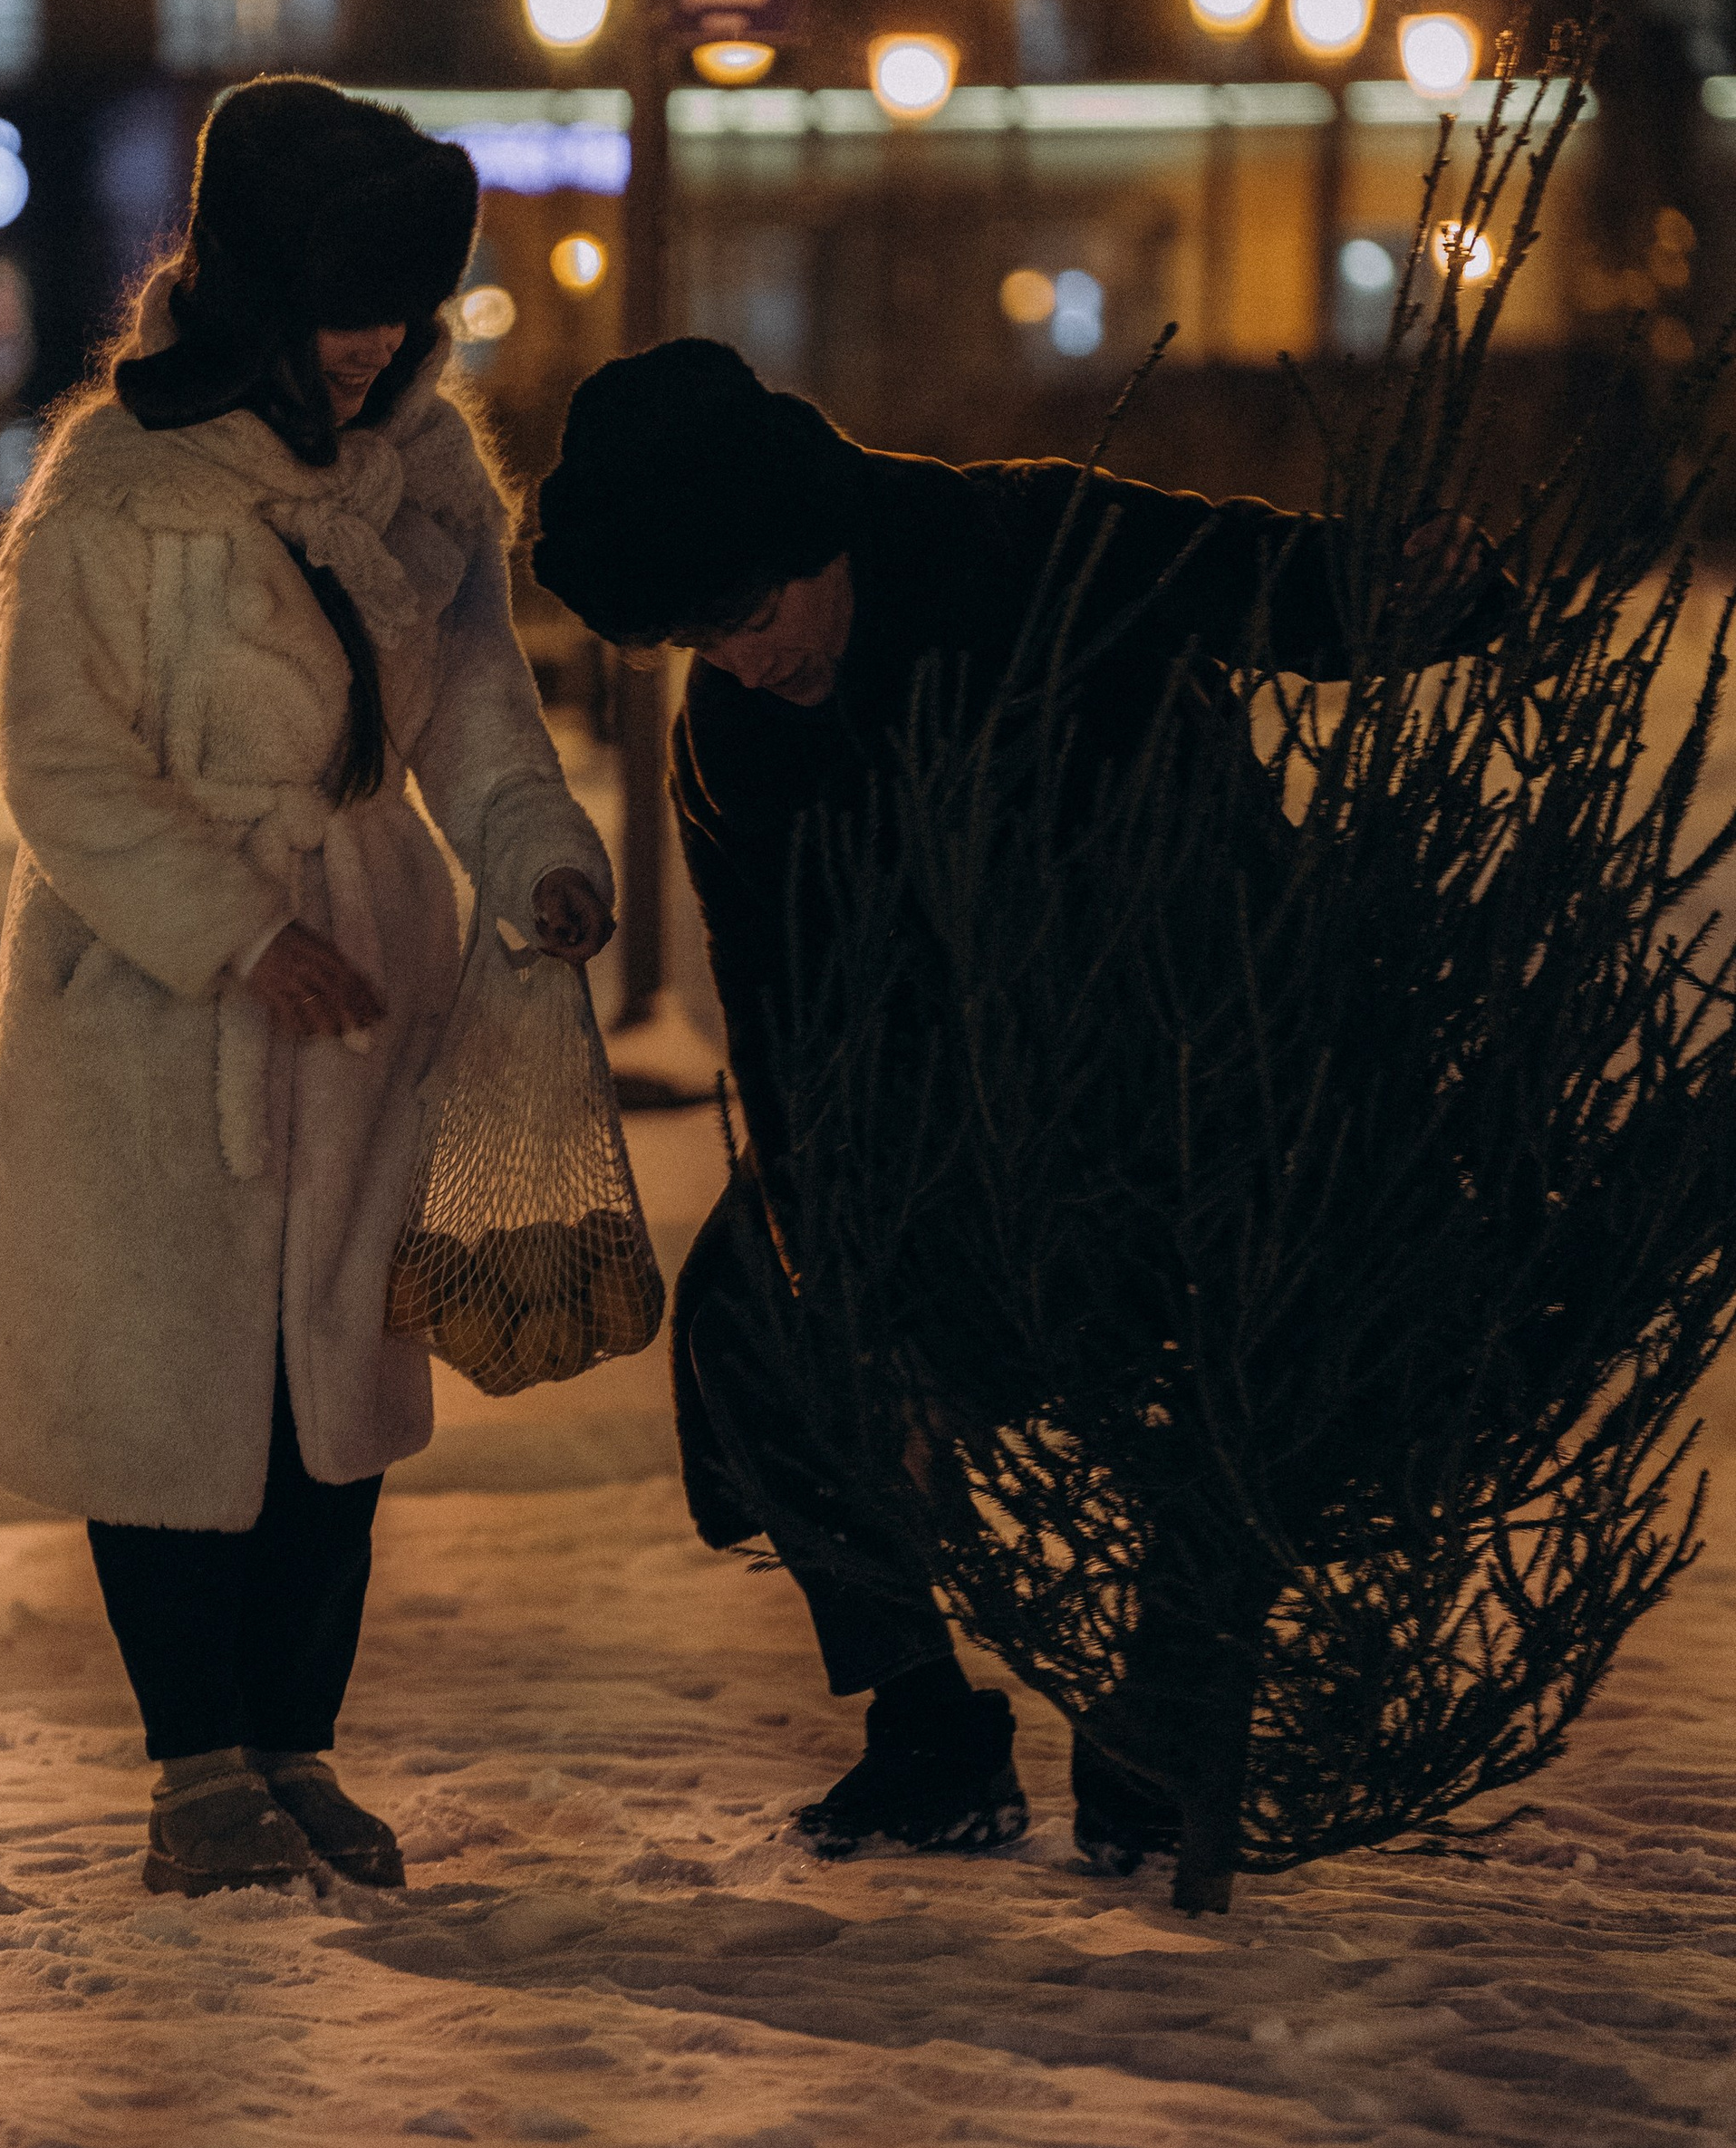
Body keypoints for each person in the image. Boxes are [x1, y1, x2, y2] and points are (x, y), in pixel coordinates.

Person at [532, 335, 1483, 1873]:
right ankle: (925, 1732)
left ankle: (1166, 1714)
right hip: (946, 1139)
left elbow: (1288, 588)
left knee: (1255, 1311)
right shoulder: (743, 734)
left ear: (815, 535)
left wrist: (1426, 581)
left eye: (754, 613)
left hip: (1197, 1073)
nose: (744, 660)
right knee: (754, 1320)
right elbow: (783, 1024)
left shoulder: (1027, 545)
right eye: (695, 640)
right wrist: (855, 1310)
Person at [0, 79, 614, 1900]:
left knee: (336, 1377)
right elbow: (61, 768)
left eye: (400, 307)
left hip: (364, 979)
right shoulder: (115, 482)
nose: (370, 345)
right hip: (156, 1009)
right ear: (248, 282)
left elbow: (476, 704)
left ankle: (296, 1742)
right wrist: (235, 928)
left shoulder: (425, 473)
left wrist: (534, 851)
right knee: (174, 1382)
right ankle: (194, 1765)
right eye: (341, 302)